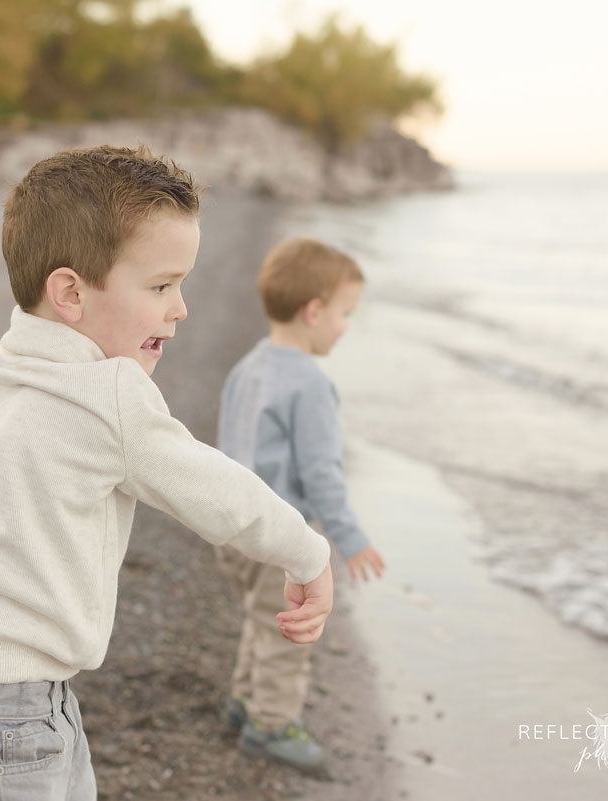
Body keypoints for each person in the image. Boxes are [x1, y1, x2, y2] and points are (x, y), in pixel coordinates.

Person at [0, 145, 335, 801]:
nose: (180, 308)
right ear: (70, 291)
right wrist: (306, 552)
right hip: (10, 714)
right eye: (160, 286)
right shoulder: (111, 394)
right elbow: (215, 492)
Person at [214, 236, 387, 772]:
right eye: (344, 313)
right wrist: (349, 537)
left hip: (234, 529)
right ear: (313, 311)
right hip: (279, 538)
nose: (345, 325)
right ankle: (270, 725)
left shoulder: (248, 366)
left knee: (259, 620)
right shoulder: (310, 382)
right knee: (286, 632)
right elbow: (320, 474)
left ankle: (244, 702)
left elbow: (222, 450)